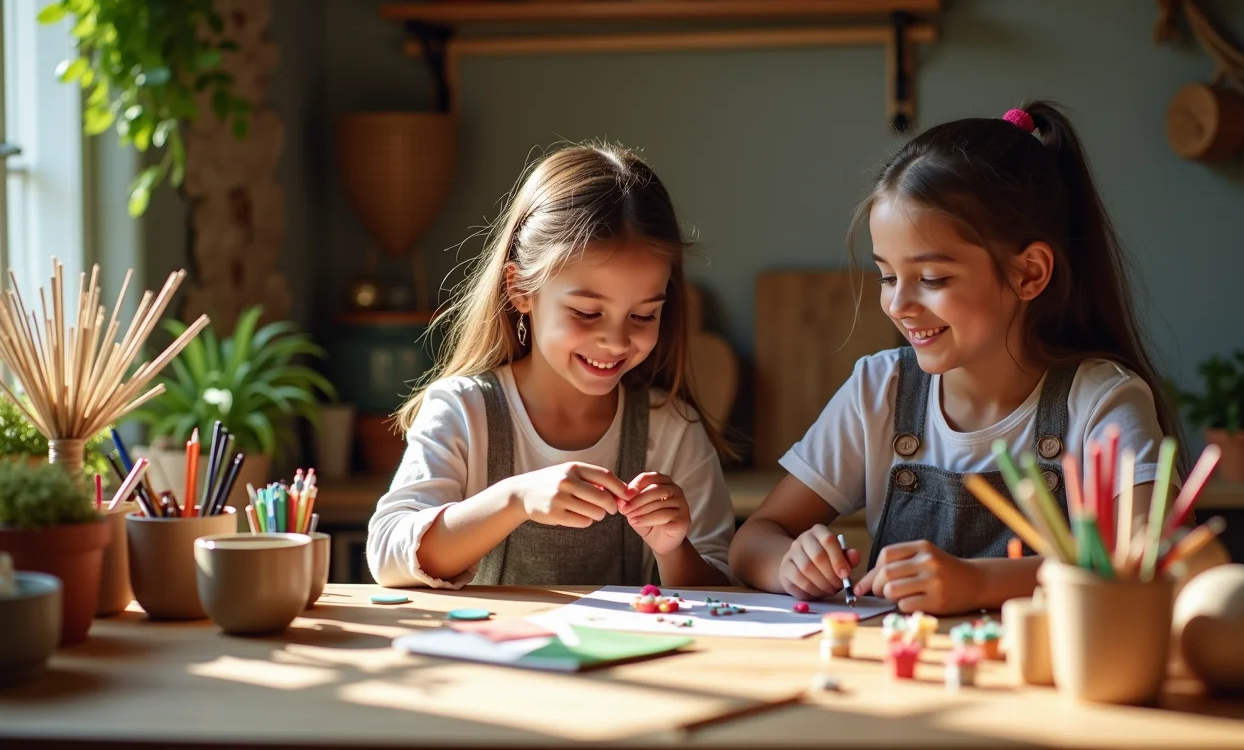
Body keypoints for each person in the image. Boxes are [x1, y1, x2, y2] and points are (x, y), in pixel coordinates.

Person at [729, 102, 1183, 614]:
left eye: (933, 279)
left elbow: (1148, 563)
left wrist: (978, 584)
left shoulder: (1101, 401)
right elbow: (753, 541)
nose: (899, 305)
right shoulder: (880, 390)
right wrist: (790, 560)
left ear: (1029, 273)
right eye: (886, 276)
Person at [367, 143, 735, 589]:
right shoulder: (463, 411)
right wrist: (514, 499)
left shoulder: (672, 430)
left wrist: (673, 548)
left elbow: (721, 591)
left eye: (642, 316)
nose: (616, 340)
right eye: (586, 312)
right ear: (521, 289)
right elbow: (387, 555)